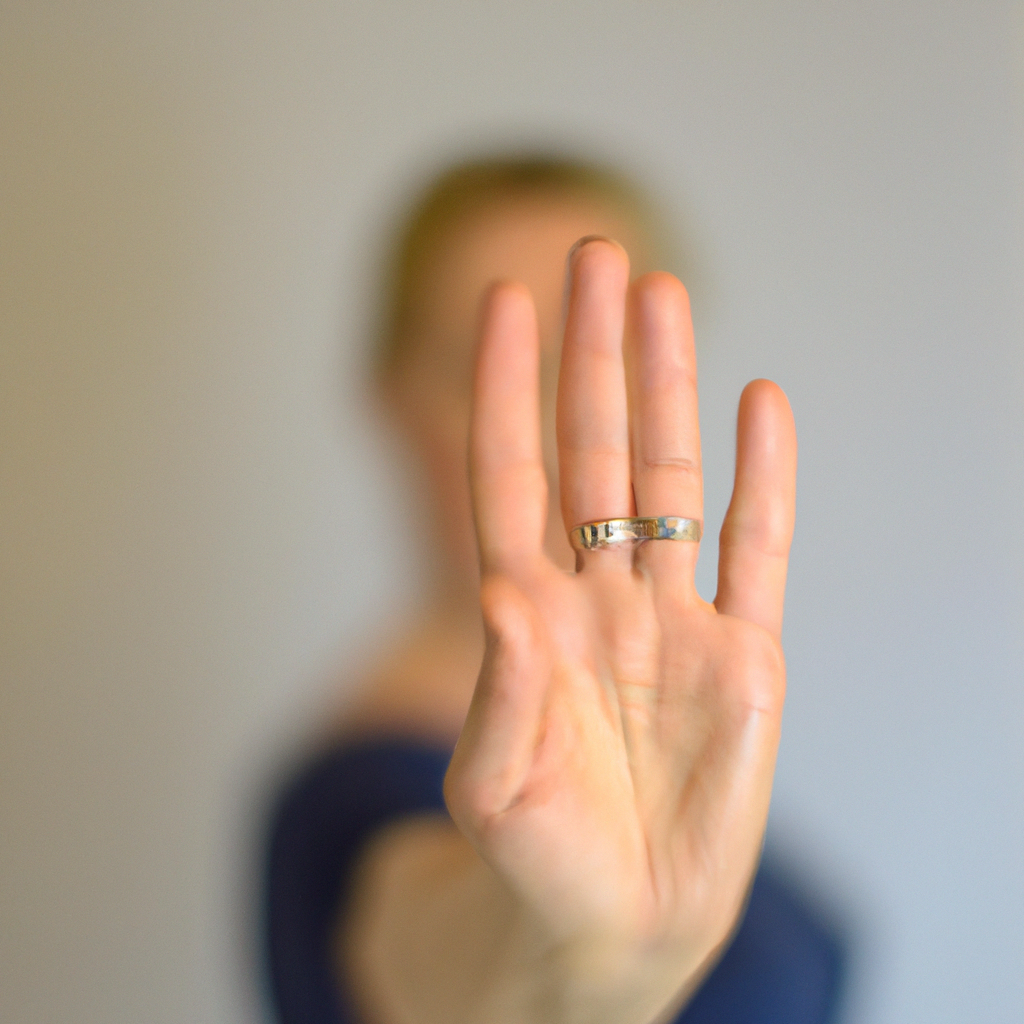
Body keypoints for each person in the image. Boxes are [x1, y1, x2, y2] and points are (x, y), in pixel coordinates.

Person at [264, 158, 845, 1024]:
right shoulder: (352, 804)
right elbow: (432, 962)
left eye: (590, 361)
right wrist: (593, 966)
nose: (552, 427)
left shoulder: (648, 730)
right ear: (393, 400)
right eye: (489, 369)